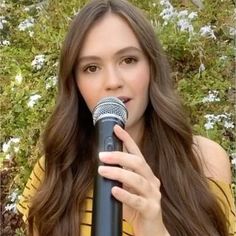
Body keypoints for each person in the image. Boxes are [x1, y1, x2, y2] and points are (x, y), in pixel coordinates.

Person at [17, 0, 236, 235]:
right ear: (75, 82)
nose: (112, 81)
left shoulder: (204, 162)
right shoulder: (54, 170)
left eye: (128, 60)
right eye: (91, 67)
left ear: (152, 66)